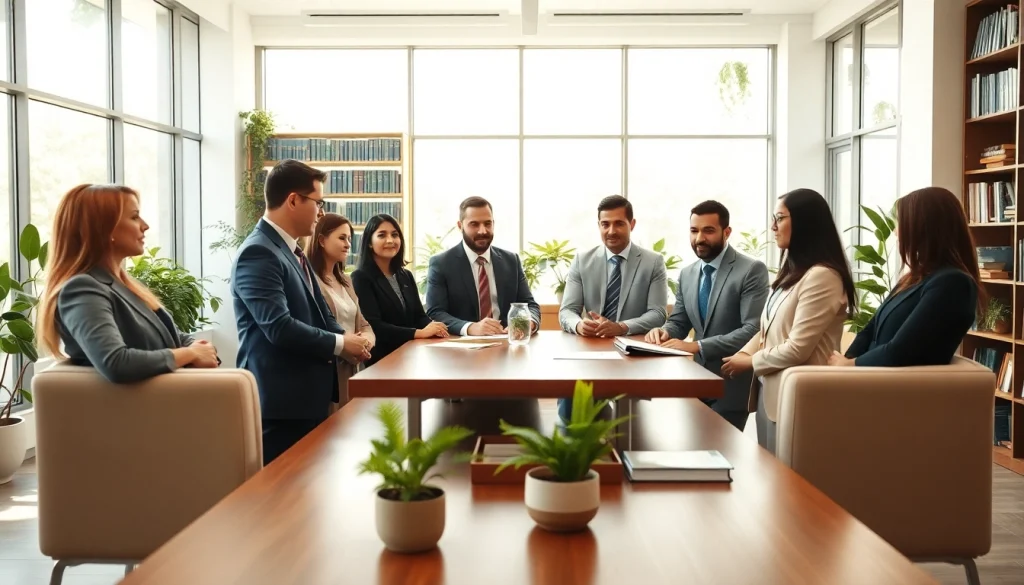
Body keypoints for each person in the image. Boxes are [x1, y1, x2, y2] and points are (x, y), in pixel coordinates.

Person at [232, 159, 366, 465]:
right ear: (293, 200)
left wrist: (347, 340)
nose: (321, 212)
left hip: (309, 400)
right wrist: (343, 344)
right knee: (281, 504)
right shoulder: (259, 252)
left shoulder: (291, 251)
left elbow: (320, 313)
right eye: (318, 202)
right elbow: (278, 327)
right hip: (282, 405)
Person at [36, 184, 219, 384]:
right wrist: (190, 354)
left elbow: (172, 337)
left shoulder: (124, 285)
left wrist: (198, 348)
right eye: (134, 217)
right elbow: (116, 362)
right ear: (105, 228)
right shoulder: (82, 289)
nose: (145, 225)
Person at [720, 188, 855, 454]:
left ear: (804, 223)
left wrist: (750, 362)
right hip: (771, 394)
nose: (773, 226)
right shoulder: (793, 273)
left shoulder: (822, 276)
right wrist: (743, 353)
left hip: (801, 398)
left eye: (779, 218)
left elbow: (798, 347)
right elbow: (767, 329)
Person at [645, 200, 769, 430]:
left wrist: (697, 346)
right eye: (694, 230)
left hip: (731, 383)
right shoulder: (688, 273)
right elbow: (679, 321)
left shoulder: (751, 270)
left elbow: (753, 330)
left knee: (723, 455)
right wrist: (664, 332)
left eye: (708, 230)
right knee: (695, 453)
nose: (699, 238)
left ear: (727, 232)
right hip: (695, 383)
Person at [829, 187, 982, 368]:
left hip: (895, 387)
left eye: (901, 223)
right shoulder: (912, 278)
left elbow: (900, 352)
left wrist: (849, 366)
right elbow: (869, 330)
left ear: (924, 227)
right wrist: (847, 361)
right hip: (869, 379)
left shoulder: (953, 284)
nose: (895, 232)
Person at [558, 195, 667, 422]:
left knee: (630, 428)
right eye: (605, 224)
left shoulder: (653, 262)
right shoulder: (582, 260)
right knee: (572, 407)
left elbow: (658, 313)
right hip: (590, 351)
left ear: (632, 224)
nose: (611, 231)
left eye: (619, 223)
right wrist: (579, 325)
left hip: (633, 355)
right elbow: (567, 311)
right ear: (598, 225)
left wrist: (620, 327)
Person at [425, 196, 541, 336]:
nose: (483, 231)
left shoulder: (511, 261)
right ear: (460, 226)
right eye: (474, 224)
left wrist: (528, 323)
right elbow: (435, 312)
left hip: (506, 343)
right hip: (460, 348)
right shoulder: (442, 263)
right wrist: (470, 327)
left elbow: (529, 305)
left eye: (487, 224)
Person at [351, 213, 448, 367]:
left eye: (395, 235)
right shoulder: (361, 277)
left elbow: (419, 316)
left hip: (412, 356)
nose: (390, 240)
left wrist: (435, 327)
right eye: (382, 235)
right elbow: (374, 326)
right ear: (369, 242)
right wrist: (418, 333)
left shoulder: (405, 275)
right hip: (382, 362)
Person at [305, 213, 375, 413]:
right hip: (329, 370)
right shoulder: (310, 281)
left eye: (350, 239)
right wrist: (348, 346)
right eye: (342, 238)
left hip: (354, 367)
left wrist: (365, 344)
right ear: (321, 240)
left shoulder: (346, 280)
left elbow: (364, 324)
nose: (348, 244)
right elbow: (316, 326)